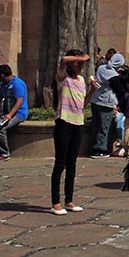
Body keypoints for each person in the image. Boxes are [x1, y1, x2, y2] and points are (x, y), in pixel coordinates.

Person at [51, 50, 93, 214]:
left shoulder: (81, 80)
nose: (81, 64)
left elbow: (82, 103)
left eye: (82, 62)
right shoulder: (63, 77)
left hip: (78, 122)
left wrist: (92, 91)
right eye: (78, 62)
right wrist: (79, 57)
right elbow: (63, 59)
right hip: (64, 122)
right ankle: (55, 201)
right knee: (60, 163)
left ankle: (69, 199)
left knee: (72, 164)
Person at [0, 64, 30, 160]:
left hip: (19, 113)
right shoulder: (4, 85)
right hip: (7, 112)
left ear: (2, 75)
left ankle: (4, 153)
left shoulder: (17, 84)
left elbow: (19, 101)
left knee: (0, 130)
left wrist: (10, 115)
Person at [89, 56, 124, 158]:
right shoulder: (112, 74)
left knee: (95, 125)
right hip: (106, 103)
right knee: (103, 127)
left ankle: (93, 148)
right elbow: (119, 89)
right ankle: (100, 149)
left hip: (96, 100)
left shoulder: (101, 68)